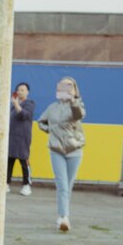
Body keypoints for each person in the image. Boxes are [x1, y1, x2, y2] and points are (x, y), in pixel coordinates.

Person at [38, 77, 85, 232]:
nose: (66, 88)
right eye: (63, 86)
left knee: (68, 186)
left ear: (75, 89)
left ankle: (62, 215)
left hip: (75, 150)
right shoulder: (52, 107)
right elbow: (41, 122)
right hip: (56, 150)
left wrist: (73, 100)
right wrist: (51, 131)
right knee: (62, 185)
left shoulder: (77, 105)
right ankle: (64, 217)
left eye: (70, 86)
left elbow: (79, 115)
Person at [9, 81, 34, 196]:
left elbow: (24, 115)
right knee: (9, 161)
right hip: (11, 138)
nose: (20, 92)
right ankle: (6, 183)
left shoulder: (29, 103)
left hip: (23, 138)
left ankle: (26, 184)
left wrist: (15, 104)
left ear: (27, 92)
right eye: (18, 90)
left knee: (24, 161)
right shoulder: (13, 106)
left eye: (22, 90)